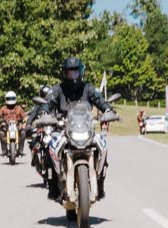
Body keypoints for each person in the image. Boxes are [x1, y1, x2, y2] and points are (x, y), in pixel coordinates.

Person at [32, 57, 117, 199]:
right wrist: (44, 112)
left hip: (85, 127)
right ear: (65, 73)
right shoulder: (58, 89)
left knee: (102, 145)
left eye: (76, 72)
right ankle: (53, 186)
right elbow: (49, 101)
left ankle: (100, 183)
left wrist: (108, 110)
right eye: (70, 72)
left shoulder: (88, 88)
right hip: (63, 128)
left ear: (81, 72)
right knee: (49, 147)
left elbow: (99, 99)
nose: (73, 76)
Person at [0, 90, 28, 156]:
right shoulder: (3, 108)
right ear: (6, 99)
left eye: (12, 98)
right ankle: (4, 151)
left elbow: (24, 115)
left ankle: (20, 150)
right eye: (9, 98)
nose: (10, 100)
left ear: (15, 98)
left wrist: (25, 119)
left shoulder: (19, 108)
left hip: (17, 126)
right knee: (1, 133)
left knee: (23, 133)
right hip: (6, 126)